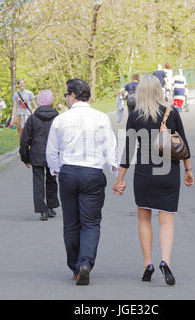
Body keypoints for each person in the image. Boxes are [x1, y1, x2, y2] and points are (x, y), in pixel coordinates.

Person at [113, 75, 194, 286]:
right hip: (168, 173)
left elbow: (128, 151)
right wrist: (188, 170)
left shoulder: (135, 116)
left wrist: (120, 180)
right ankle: (165, 261)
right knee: (166, 220)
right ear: (159, 91)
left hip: (144, 174)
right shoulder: (172, 112)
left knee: (143, 219)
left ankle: (147, 264)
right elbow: (182, 144)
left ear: (140, 92)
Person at [46, 79, 118, 286]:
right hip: (93, 172)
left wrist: (56, 169)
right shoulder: (101, 118)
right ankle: (85, 263)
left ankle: (75, 266)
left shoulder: (61, 120)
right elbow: (110, 146)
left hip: (69, 171)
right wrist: (115, 171)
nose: (66, 99)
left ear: (73, 95)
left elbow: (52, 150)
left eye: (66, 95)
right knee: (91, 222)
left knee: (71, 223)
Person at [20, 90, 60, 222]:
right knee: (51, 180)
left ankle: (41, 210)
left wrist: (24, 157)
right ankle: (51, 206)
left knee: (38, 182)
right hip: (53, 154)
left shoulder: (33, 118)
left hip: (37, 154)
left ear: (38, 102)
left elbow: (25, 139)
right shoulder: (57, 118)